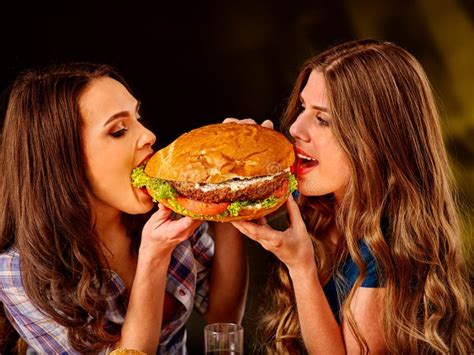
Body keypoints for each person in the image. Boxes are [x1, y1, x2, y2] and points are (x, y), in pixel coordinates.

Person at [230, 39, 472, 354]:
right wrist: (236, 164)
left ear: (376, 139)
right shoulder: (322, 200)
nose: (295, 128)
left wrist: (301, 268)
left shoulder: (388, 244)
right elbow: (223, 308)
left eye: (323, 119)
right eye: (303, 107)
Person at [0, 63, 247, 354]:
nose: (149, 135)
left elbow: (223, 318)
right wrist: (154, 258)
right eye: (118, 130)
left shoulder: (170, 209)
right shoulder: (18, 272)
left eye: (138, 118)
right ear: (62, 161)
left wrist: (231, 194)